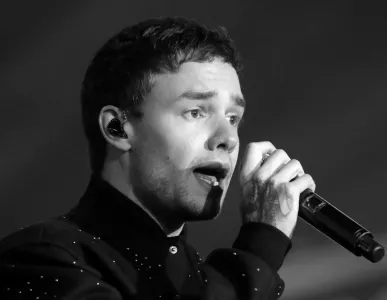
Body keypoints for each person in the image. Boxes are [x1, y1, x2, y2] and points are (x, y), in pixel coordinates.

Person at [0, 16, 315, 300]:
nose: (228, 139)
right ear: (118, 128)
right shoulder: (42, 259)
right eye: (195, 112)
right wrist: (262, 244)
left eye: (233, 118)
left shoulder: (199, 280)